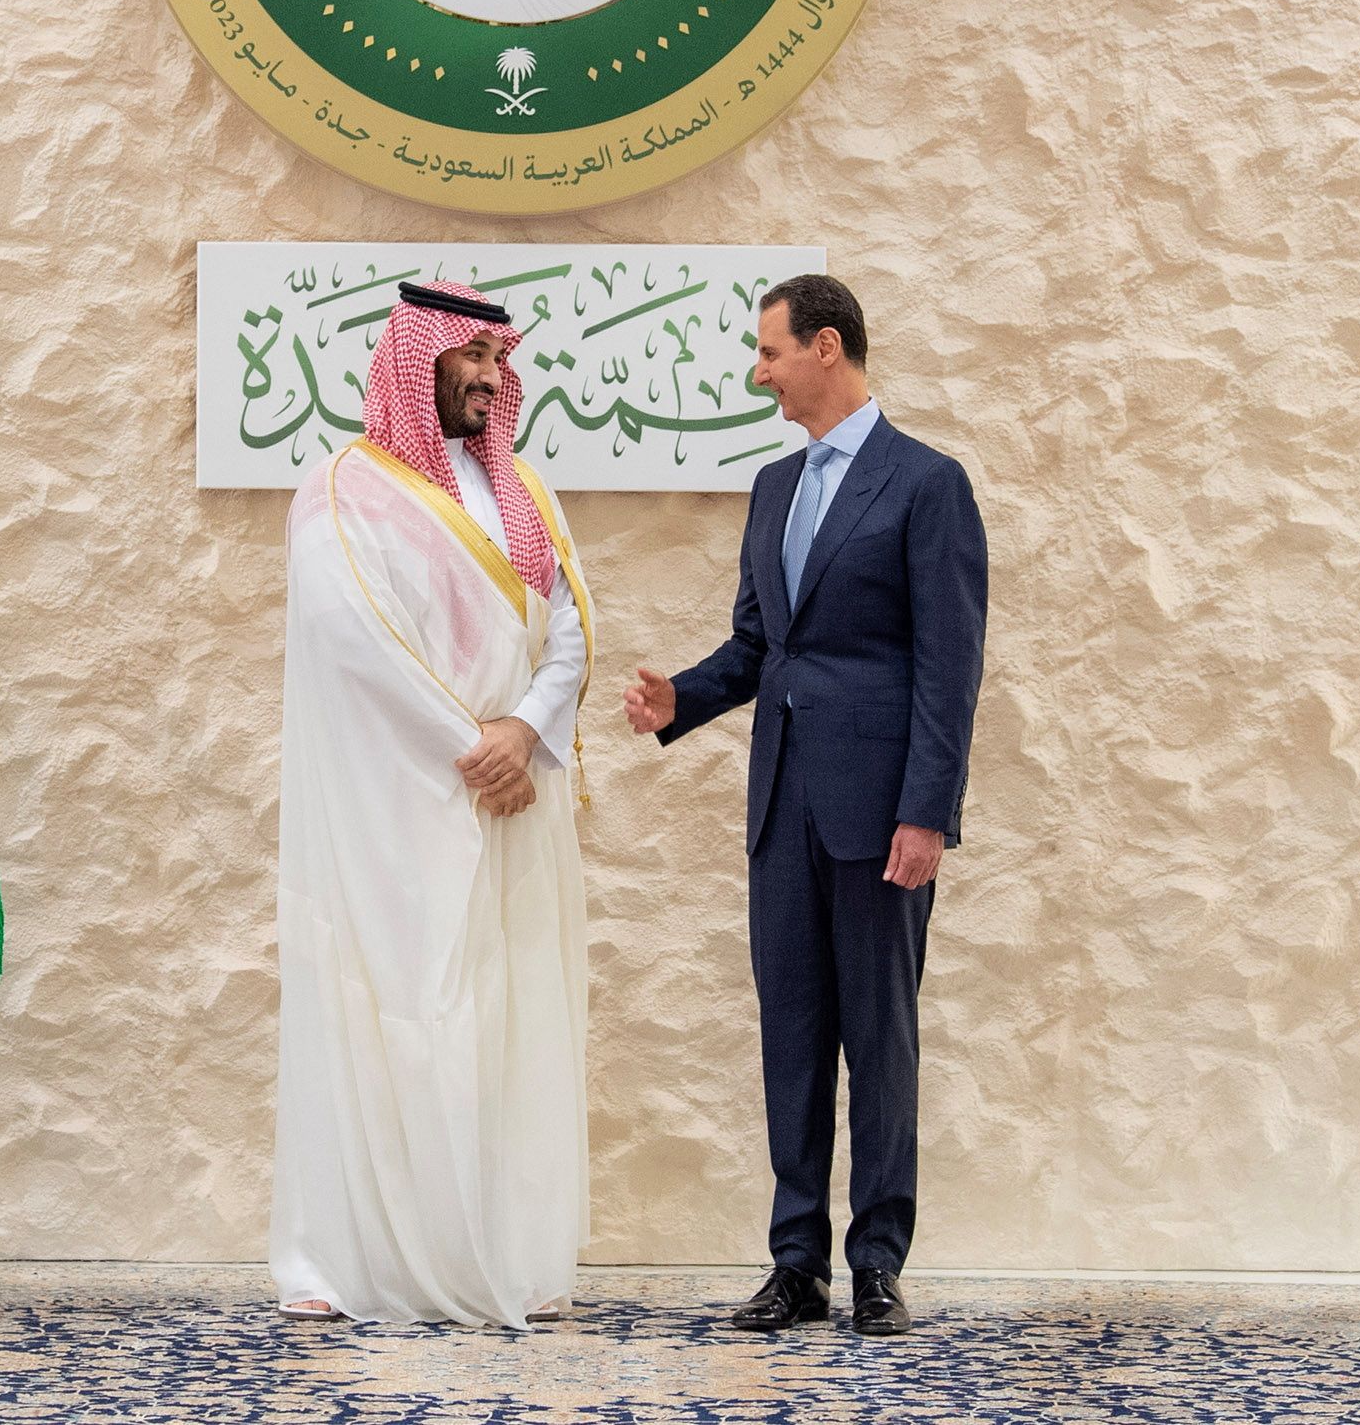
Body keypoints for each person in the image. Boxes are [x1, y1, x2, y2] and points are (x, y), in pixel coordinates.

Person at [623, 273, 986, 1337]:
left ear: (826, 348)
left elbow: (947, 668)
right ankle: (796, 1264)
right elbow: (760, 647)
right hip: (781, 810)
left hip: (880, 818)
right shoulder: (774, 489)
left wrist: (927, 812)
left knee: (880, 1040)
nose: (758, 370)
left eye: (770, 351)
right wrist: (679, 698)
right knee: (792, 1038)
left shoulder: (927, 485)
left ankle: (876, 1261)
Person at [271, 279, 597, 1328]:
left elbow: (570, 629)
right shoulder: (342, 490)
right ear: (418, 366)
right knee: (388, 1014)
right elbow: (349, 638)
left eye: (497, 364)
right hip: (397, 808)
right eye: (469, 363)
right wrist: (474, 744)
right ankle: (342, 1262)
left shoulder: (525, 493)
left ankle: (503, 1258)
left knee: (508, 1023)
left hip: (509, 805)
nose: (488, 380)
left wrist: (524, 731)